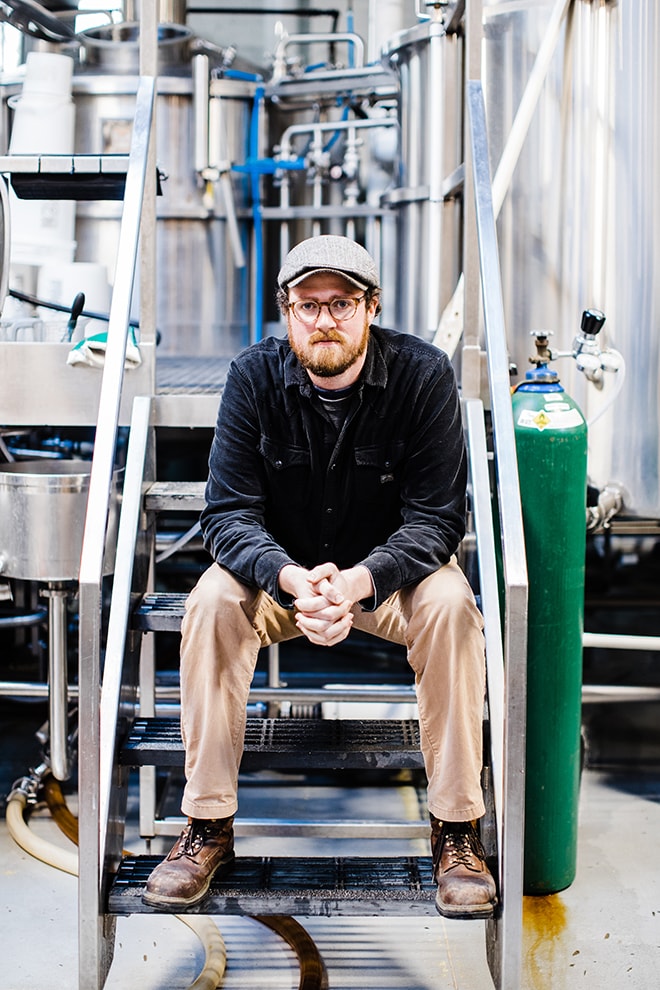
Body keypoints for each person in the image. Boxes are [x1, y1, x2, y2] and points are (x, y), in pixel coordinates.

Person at [143, 234, 497, 919]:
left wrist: (361, 580)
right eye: (308, 304)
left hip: (391, 579)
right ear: (286, 310)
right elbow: (228, 514)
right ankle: (208, 823)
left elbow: (435, 521)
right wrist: (290, 579)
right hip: (283, 581)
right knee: (212, 599)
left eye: (341, 302)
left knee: (453, 605)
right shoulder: (252, 378)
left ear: (372, 307)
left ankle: (456, 828)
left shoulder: (423, 377)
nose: (324, 319)